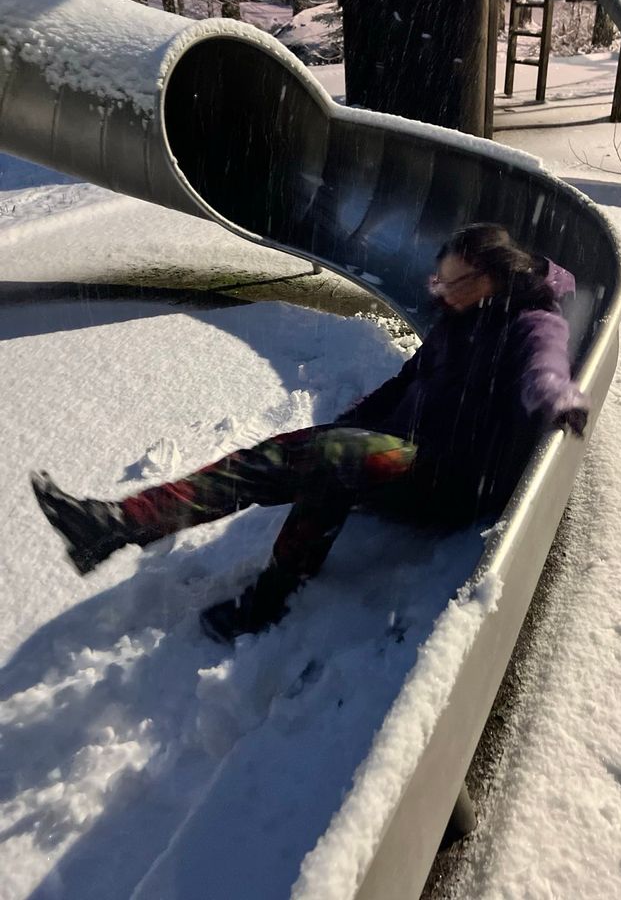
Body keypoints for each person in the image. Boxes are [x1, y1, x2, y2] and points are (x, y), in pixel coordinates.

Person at [31, 223, 589, 644]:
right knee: (320, 452)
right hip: (417, 457)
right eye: (437, 278)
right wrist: (348, 423)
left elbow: (544, 371)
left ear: (491, 278)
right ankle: (144, 535)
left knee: (332, 455)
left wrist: (557, 400)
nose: (439, 291)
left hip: (455, 479)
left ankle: (129, 530)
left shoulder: (532, 322)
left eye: (453, 281)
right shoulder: (458, 321)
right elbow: (405, 384)